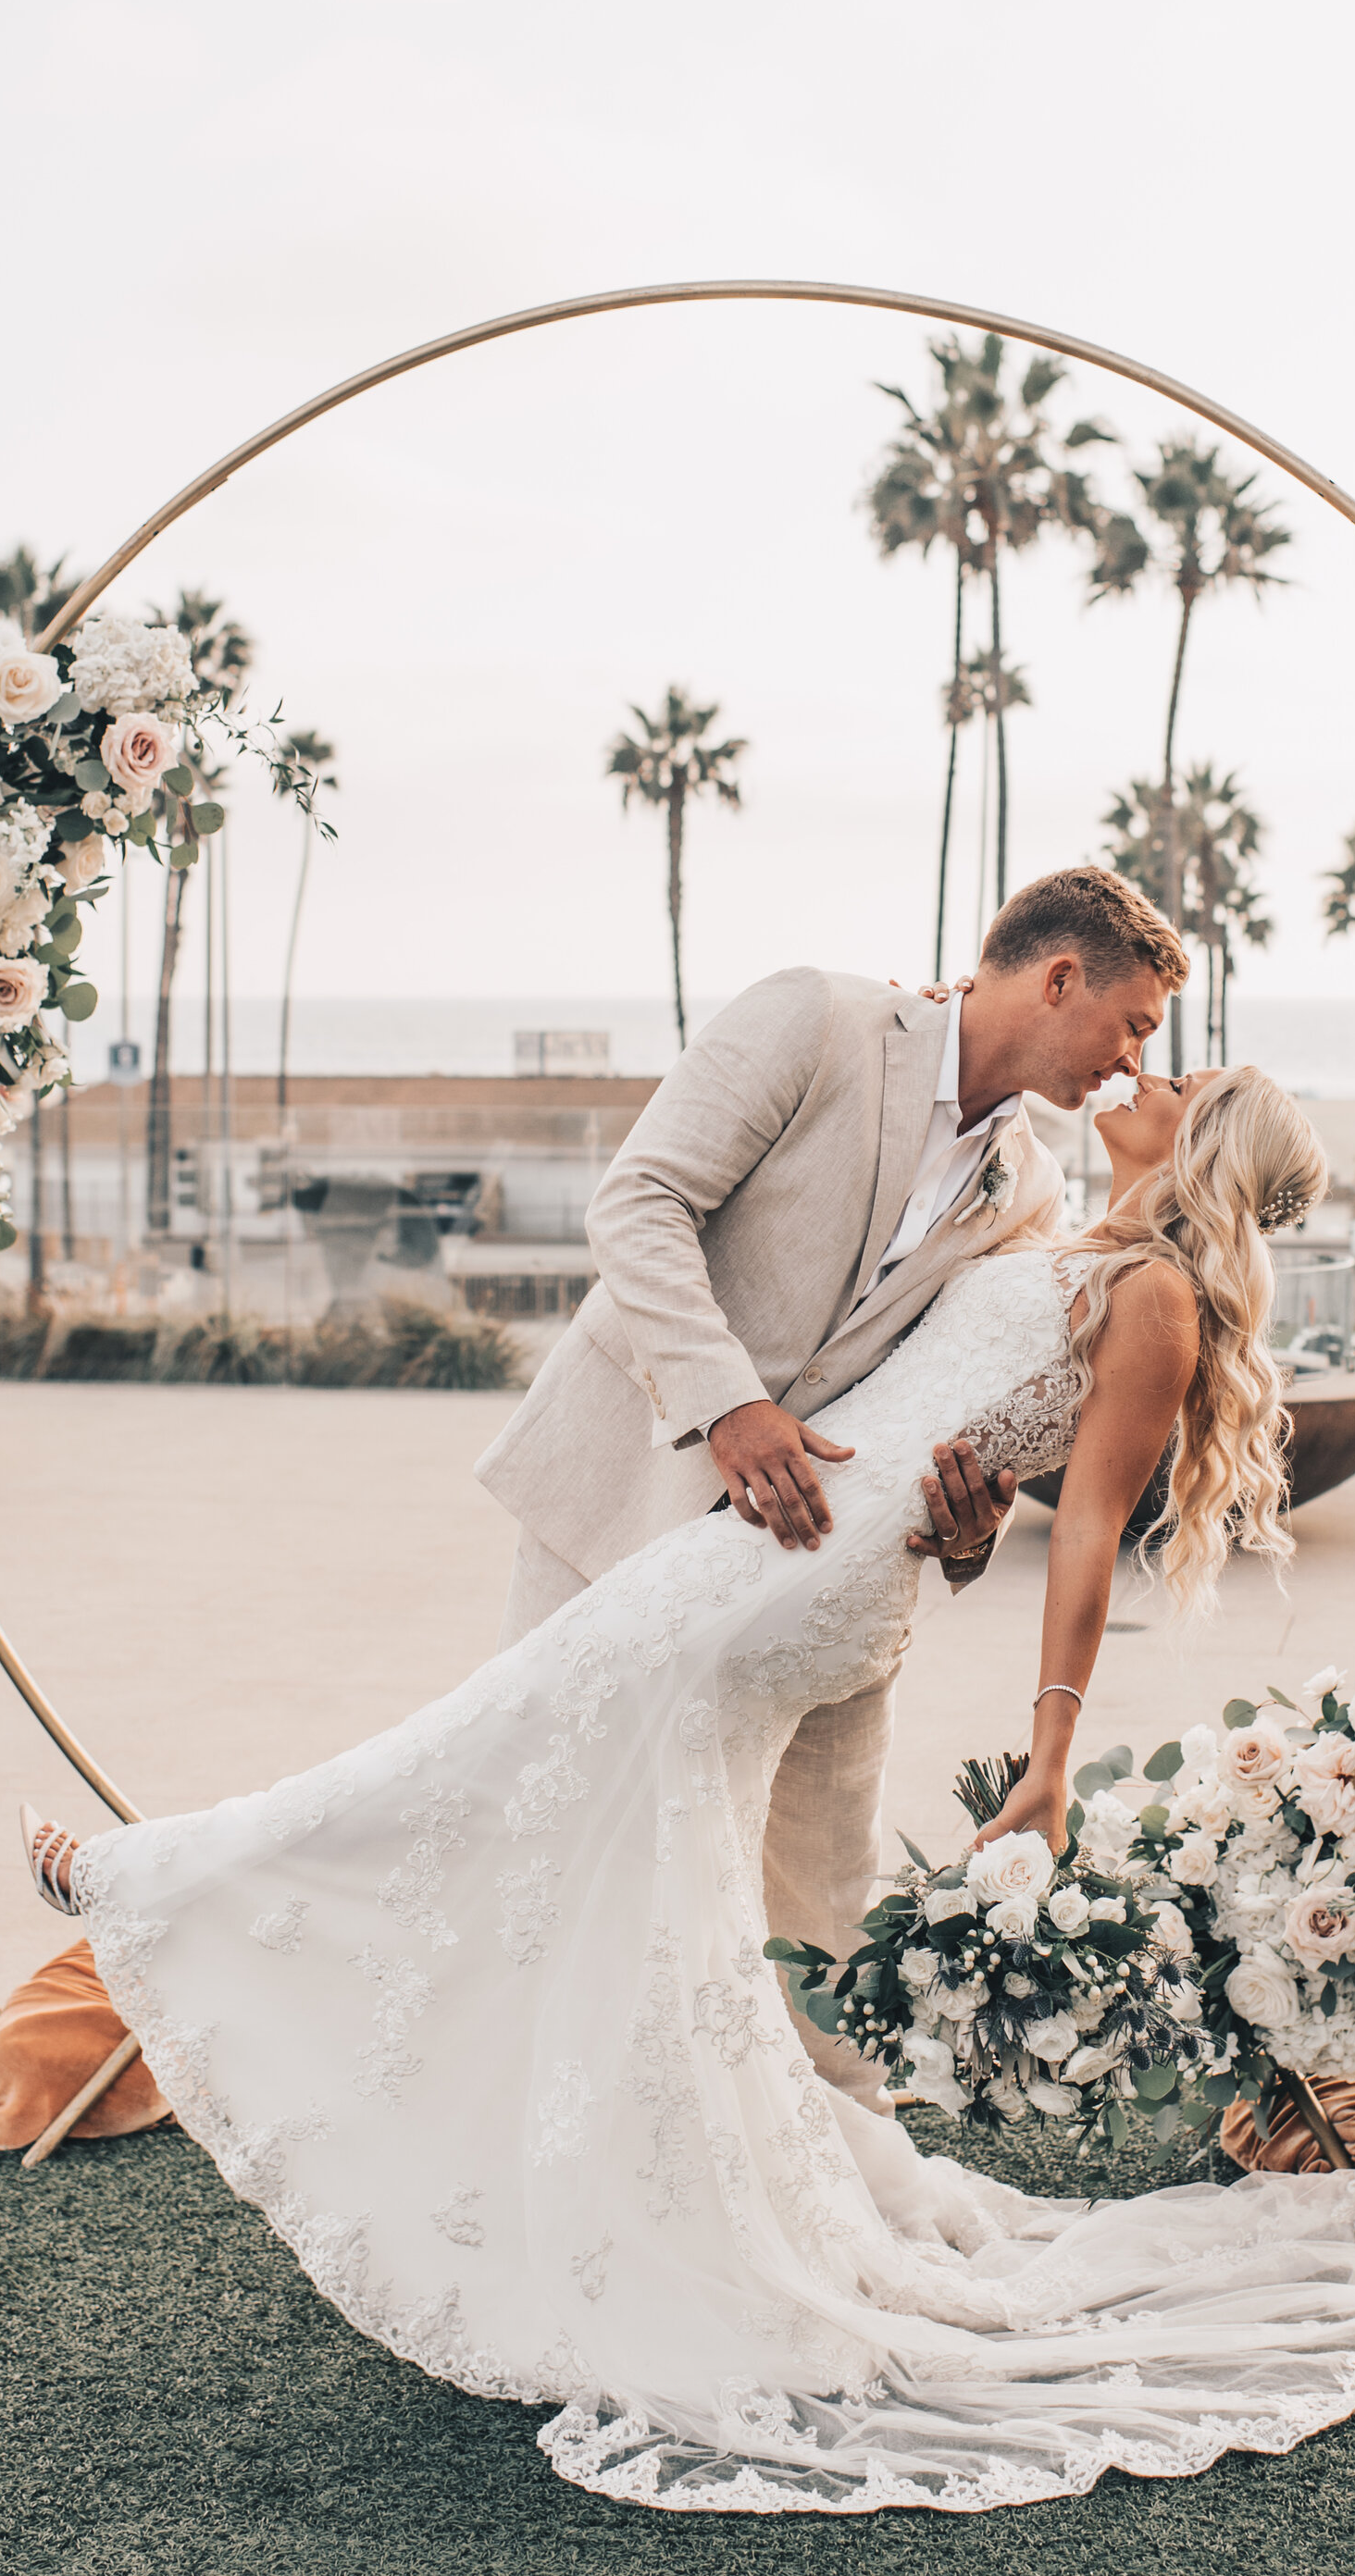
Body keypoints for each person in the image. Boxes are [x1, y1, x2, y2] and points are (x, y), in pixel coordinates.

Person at [22, 1062, 1355, 2513]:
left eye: (1185, 1072)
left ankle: (149, 1879)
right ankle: (632, 2187)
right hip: (780, 1536)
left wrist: (1053, 1752)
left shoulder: (1152, 1296)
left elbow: (1084, 1531)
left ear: (1205, 1139)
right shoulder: (1058, 1226)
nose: (1151, 1069)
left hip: (811, 1579)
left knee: (513, 1730)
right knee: (572, 1789)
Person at [476, 865, 1182, 2098]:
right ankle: (538, 2111)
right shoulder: (816, 1018)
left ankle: (837, 2152)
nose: (1129, 1066)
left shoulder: (1033, 1187)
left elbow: (944, 1392)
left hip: (820, 1571)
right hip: (625, 1495)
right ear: (1060, 977)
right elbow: (638, 1203)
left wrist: (969, 1529)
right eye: (1132, 1025)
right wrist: (729, 1404)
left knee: (824, 1896)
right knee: (553, 1817)